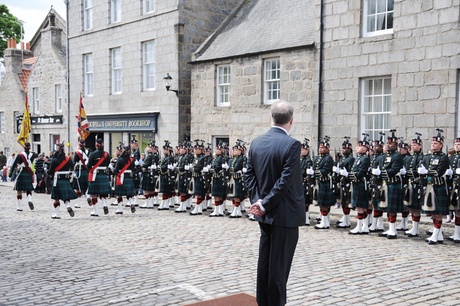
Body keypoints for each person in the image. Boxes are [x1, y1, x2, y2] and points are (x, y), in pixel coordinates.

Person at [244, 100, 305, 306]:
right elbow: (285, 182)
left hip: (265, 213)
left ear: (271, 118)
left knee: (266, 263)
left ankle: (263, 302)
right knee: (278, 268)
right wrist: (264, 204)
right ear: (291, 120)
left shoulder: (256, 142)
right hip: (283, 214)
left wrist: (258, 200)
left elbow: (249, 176)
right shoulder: (292, 144)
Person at [420, 129, 450, 244]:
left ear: (441, 145)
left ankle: (435, 235)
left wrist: (426, 171)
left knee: (438, 212)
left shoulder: (443, 157)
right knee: (432, 212)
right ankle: (439, 235)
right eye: (432, 143)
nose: (433, 145)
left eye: (435, 143)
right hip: (429, 186)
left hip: (438, 186)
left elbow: (439, 172)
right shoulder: (427, 157)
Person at [375, 129, 404, 239]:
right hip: (385, 184)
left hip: (393, 184)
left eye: (390, 143)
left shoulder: (397, 156)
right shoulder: (384, 156)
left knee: (392, 209)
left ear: (396, 144)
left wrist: (382, 172)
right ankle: (390, 228)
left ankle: (393, 230)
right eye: (388, 143)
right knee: (386, 207)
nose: (388, 145)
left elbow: (394, 170)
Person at [346, 136, 371, 234]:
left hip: (360, 183)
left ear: (365, 148)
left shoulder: (364, 159)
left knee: (360, 207)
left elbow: (360, 173)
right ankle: (364, 226)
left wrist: (348, 174)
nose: (357, 148)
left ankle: (359, 227)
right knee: (361, 206)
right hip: (357, 183)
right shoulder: (358, 158)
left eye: (359, 147)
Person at [47, 143, 77, 219]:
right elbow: (72, 168)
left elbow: (50, 171)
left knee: (56, 198)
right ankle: (68, 206)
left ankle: (57, 214)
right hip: (66, 181)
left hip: (57, 181)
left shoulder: (54, 160)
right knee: (66, 197)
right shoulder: (68, 159)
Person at [311, 137, 335, 229]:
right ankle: (324, 221)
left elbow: (325, 171)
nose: (320, 149)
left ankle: (325, 222)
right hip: (319, 182)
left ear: (327, 149)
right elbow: (314, 167)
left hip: (325, 182)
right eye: (320, 147)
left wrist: (314, 172)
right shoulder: (317, 158)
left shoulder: (328, 158)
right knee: (320, 202)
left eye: (323, 148)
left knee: (324, 204)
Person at [404, 133, 424, 237]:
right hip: (410, 183)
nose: (413, 147)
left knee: (416, 208)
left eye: (415, 145)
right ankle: (413, 227)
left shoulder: (421, 157)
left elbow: (418, 171)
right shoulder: (409, 158)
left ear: (420, 146)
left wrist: (411, 172)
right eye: (412, 145)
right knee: (411, 207)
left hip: (417, 184)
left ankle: (416, 228)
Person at [9, 142, 38, 211]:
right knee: (29, 189)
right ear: (30, 147)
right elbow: (36, 154)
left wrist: (10, 172)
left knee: (19, 190)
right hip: (28, 173)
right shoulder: (33, 154)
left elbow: (14, 164)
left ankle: (20, 207)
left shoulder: (20, 155)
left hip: (21, 172)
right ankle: (29, 200)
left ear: (24, 147)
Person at [87, 138, 111, 216]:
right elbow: (108, 164)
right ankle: (104, 205)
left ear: (96, 145)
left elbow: (89, 166)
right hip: (103, 175)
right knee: (103, 193)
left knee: (93, 194)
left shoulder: (93, 154)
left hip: (95, 175)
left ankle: (96, 211)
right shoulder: (107, 155)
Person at [112, 144, 137, 214]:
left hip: (121, 178)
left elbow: (116, 170)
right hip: (129, 177)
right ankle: (132, 203)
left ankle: (120, 209)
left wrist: (112, 169)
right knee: (129, 194)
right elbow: (134, 169)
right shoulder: (132, 160)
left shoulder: (120, 160)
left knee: (119, 194)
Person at [73, 139, 92, 207]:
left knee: (78, 188)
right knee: (87, 186)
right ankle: (87, 196)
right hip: (86, 171)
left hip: (79, 171)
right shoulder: (89, 151)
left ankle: (78, 203)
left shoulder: (77, 152)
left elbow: (74, 162)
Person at [190, 140, 207, 215]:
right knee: (197, 193)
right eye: (195, 149)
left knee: (199, 193)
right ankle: (198, 208)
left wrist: (193, 168)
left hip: (200, 177)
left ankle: (198, 208)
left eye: (197, 149)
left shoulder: (202, 158)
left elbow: (198, 168)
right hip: (195, 177)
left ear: (200, 150)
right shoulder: (196, 158)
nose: (195, 150)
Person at [300, 138, 313, 225]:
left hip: (305, 183)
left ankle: (306, 218)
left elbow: (305, 172)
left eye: (302, 149)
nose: (301, 151)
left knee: (305, 202)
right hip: (300, 182)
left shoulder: (308, 161)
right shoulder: (301, 159)